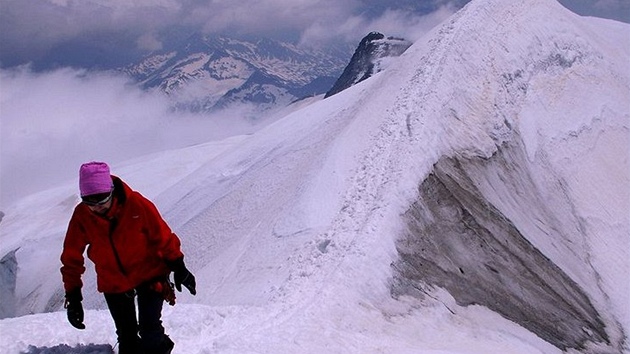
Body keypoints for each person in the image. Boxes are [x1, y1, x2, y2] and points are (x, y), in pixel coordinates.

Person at [60, 161, 196, 354]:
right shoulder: (82, 215)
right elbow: (71, 257)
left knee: (150, 331)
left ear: (111, 190)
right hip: (113, 280)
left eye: (102, 199)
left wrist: (179, 266)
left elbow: (163, 236)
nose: (97, 207)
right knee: (127, 339)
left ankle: (161, 347)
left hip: (150, 273)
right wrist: (73, 296)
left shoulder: (136, 205)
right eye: (90, 202)